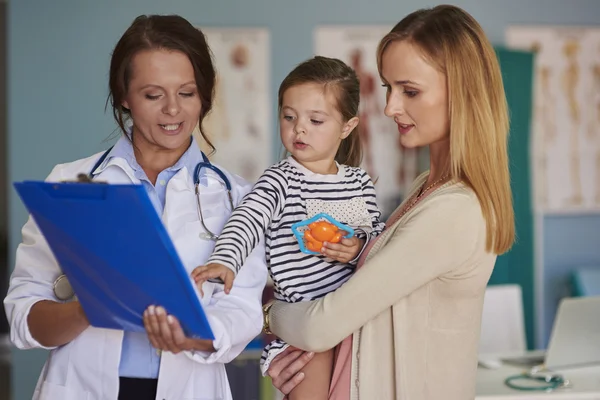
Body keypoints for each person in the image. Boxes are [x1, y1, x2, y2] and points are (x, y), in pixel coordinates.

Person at [3, 15, 267, 400]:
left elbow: (244, 311)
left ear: (205, 94)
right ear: (125, 96)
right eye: (153, 94)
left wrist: (193, 336)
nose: (173, 110)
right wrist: (87, 308)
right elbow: (24, 314)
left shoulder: (238, 198)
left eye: (187, 93)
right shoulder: (69, 183)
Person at [264, 5, 515, 400]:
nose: (390, 107)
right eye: (388, 88)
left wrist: (269, 314)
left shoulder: (455, 210)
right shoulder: (424, 188)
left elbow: (320, 327)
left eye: (410, 91)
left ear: (462, 92)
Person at [191, 56, 385, 400]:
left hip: (356, 320)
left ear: (347, 126)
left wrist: (358, 245)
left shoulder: (358, 182)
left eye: (316, 119)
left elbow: (376, 236)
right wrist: (225, 259)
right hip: (305, 329)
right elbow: (247, 218)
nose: (299, 129)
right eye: (289, 117)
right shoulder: (281, 180)